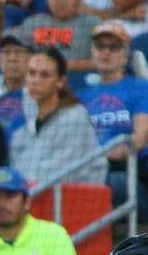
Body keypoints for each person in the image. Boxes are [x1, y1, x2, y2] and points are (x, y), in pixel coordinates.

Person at [81, 20, 148, 205]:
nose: (106, 52)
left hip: (131, 172)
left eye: (114, 47)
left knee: (111, 183)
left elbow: (140, 140)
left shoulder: (141, 87)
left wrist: (97, 157)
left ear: (126, 55)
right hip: (89, 168)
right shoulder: (81, 95)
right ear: (92, 53)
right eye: (100, 46)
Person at [9, 46, 106, 187]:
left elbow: (62, 175)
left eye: (44, 75)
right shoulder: (25, 119)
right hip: (29, 199)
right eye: (31, 73)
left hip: (70, 200)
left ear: (61, 81)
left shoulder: (75, 118)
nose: (35, 81)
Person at [23, 0, 101, 69]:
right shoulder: (32, 24)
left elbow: (101, 62)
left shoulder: (94, 25)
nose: (61, 1)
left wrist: (59, 67)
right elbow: (21, 59)